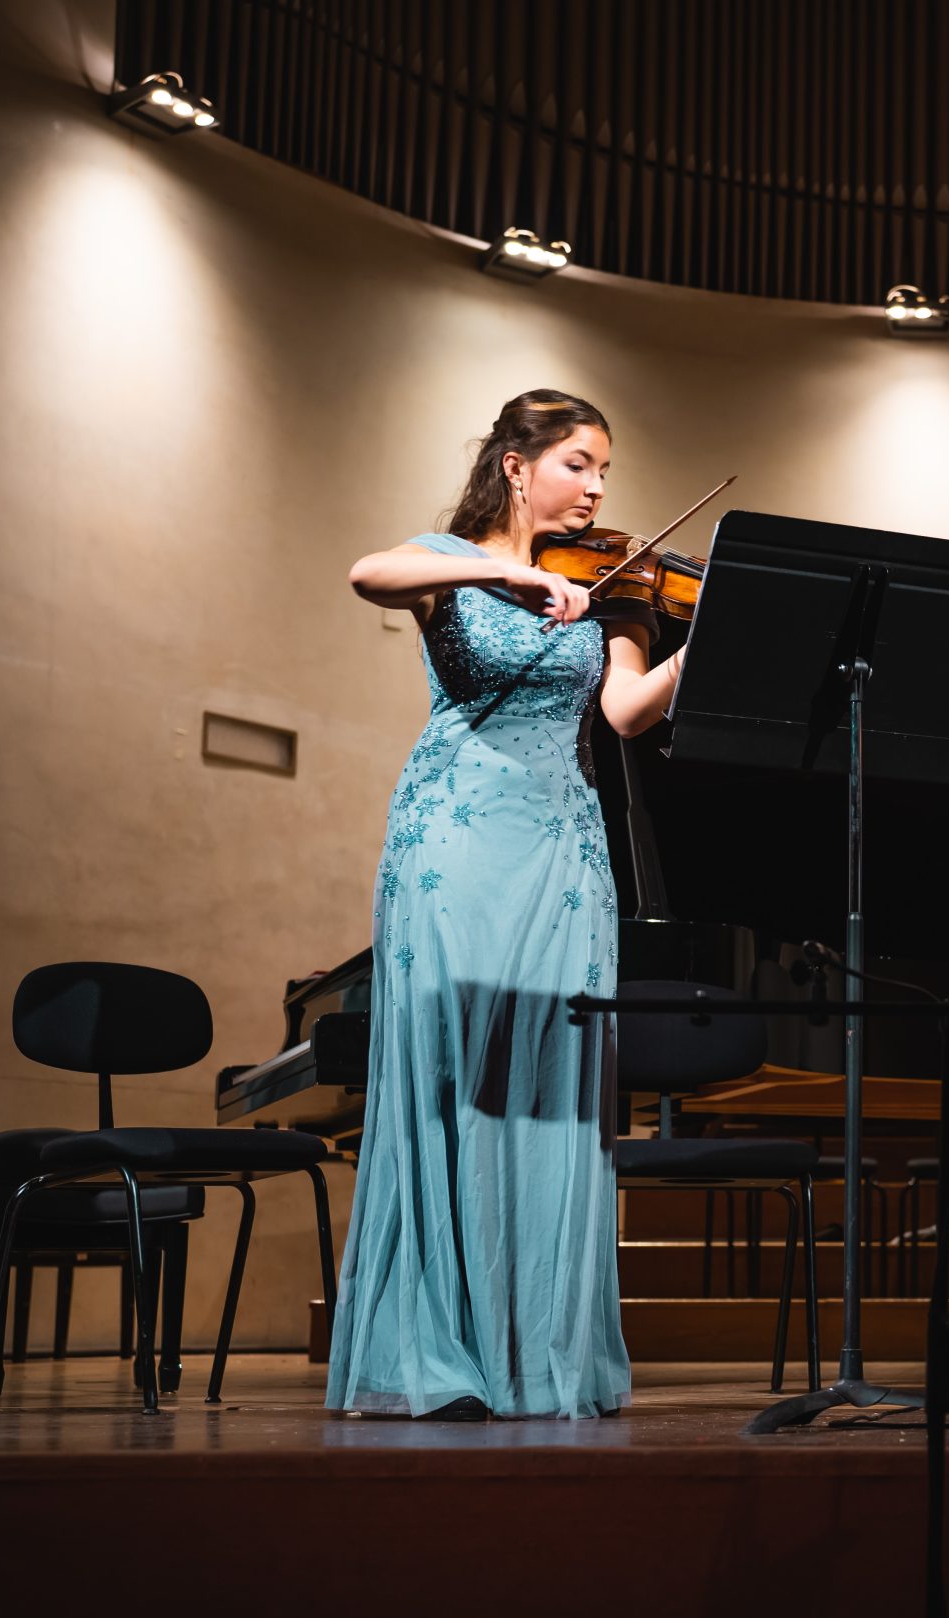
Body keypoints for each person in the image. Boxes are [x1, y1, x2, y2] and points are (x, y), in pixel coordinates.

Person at [327, 389, 683, 1419]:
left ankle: (533, 1353)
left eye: (605, 468)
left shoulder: (610, 588)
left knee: (555, 1093)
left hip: (562, 848)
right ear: (518, 465)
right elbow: (368, 574)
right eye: (580, 463)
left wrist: (706, 648)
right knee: (452, 1079)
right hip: (455, 837)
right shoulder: (448, 563)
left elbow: (620, 713)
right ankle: (438, 1349)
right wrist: (501, 569)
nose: (599, 487)